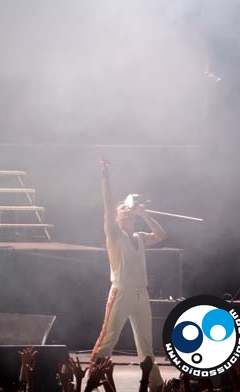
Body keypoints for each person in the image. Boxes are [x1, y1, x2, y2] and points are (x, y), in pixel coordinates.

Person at [90, 157, 165, 390]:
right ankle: (90, 382)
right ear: (116, 217)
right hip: (121, 293)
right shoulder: (114, 234)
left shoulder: (139, 237)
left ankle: (156, 385)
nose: (127, 210)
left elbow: (161, 235)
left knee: (146, 345)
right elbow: (107, 202)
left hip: (141, 294)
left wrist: (144, 214)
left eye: (128, 208)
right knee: (107, 342)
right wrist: (105, 176)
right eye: (123, 209)